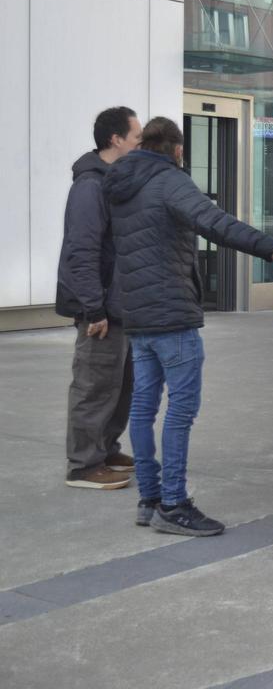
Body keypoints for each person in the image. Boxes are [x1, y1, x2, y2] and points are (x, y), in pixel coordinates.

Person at [104, 117, 273, 536]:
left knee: (143, 407)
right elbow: (215, 223)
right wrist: (271, 247)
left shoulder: (121, 185)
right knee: (181, 411)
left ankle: (150, 499)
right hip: (171, 313)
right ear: (176, 149)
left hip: (137, 313)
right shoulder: (169, 180)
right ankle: (173, 504)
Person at [56, 107, 142, 490]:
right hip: (101, 308)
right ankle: (83, 465)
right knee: (94, 385)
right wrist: (94, 308)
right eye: (136, 137)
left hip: (121, 305)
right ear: (116, 140)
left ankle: (106, 449)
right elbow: (82, 251)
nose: (139, 143)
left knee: (121, 385)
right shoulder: (90, 186)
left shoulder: (114, 182)